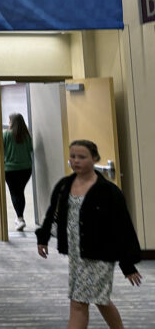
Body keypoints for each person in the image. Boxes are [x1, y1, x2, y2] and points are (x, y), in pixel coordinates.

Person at [36, 140, 142, 329]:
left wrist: (127, 264)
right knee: (100, 300)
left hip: (100, 254)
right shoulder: (65, 186)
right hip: (77, 254)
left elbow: (122, 227)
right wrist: (43, 238)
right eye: (73, 157)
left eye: (82, 157)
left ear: (95, 159)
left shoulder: (109, 192)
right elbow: (53, 213)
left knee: (78, 303)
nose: (76, 161)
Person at [3, 113, 34, 230]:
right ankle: (19, 218)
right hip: (26, 169)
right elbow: (31, 149)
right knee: (20, 192)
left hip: (10, 169)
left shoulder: (6, 134)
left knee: (15, 193)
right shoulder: (27, 136)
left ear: (11, 122)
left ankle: (20, 218)